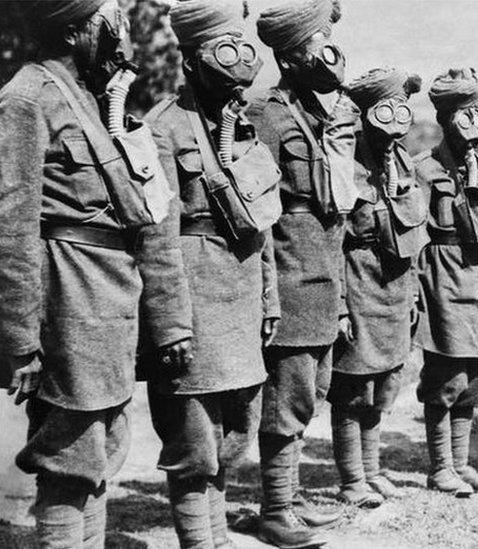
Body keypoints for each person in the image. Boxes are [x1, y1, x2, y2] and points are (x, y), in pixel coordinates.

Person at [0, 1, 192, 546]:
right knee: (69, 454)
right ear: (75, 28)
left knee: (104, 444)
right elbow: (10, 227)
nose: (119, 35)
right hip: (69, 293)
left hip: (109, 296)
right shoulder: (26, 98)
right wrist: (19, 337)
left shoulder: (85, 96)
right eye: (107, 23)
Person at [144, 1, 283, 547]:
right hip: (193, 294)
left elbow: (260, 220)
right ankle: (203, 540)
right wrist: (171, 322)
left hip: (241, 292)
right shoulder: (160, 128)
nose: (237, 63)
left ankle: (217, 531)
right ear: (192, 60)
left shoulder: (242, 127)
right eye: (224, 50)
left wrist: (270, 297)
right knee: (194, 434)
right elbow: (156, 238)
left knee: (237, 425)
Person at [249, 1, 354, 543]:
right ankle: (273, 509)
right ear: (291, 55)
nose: (329, 52)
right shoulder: (266, 113)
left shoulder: (318, 113)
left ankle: (285, 501)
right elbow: (260, 207)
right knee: (286, 395)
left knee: (311, 390)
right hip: (289, 270)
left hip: (322, 269)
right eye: (318, 42)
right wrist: (267, 291)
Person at [327, 67, 427, 507]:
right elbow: (333, 237)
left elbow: (412, 230)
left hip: (395, 283)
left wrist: (414, 292)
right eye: (386, 108)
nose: (395, 120)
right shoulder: (344, 160)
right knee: (352, 388)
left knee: (384, 383)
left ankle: (372, 470)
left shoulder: (402, 160)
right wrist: (341, 305)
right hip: (358, 277)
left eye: (402, 109)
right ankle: (352, 480)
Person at [414, 67, 478, 496]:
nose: (471, 126)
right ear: (444, 120)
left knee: (477, 377)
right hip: (445, 274)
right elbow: (414, 235)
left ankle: (461, 463)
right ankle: (441, 468)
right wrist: (416, 292)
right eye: (462, 115)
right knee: (446, 375)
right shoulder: (424, 170)